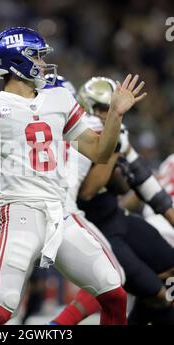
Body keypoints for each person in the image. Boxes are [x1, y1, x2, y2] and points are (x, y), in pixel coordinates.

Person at [0, 27, 146, 325]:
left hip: (60, 213)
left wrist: (115, 115)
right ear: (18, 61)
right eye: (38, 57)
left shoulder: (58, 99)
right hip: (20, 211)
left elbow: (100, 153)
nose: (44, 64)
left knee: (113, 293)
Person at [51, 77, 174, 325]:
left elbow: (144, 181)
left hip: (117, 219)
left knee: (168, 274)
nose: (111, 114)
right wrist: (113, 147)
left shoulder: (115, 131)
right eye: (104, 108)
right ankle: (55, 326)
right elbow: (88, 191)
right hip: (93, 230)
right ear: (88, 108)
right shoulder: (82, 132)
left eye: (113, 108)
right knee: (146, 293)